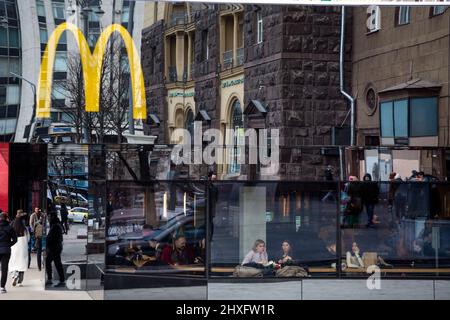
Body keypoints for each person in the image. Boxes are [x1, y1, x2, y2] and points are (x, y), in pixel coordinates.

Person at [8, 210, 30, 287]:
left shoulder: (12, 225)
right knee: (22, 263)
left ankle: (14, 275)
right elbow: (28, 238)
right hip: (22, 246)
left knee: (13, 262)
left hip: (14, 247)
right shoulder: (24, 228)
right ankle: (20, 281)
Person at [45, 214, 65, 287]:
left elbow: (50, 238)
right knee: (53, 262)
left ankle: (60, 280)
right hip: (56, 247)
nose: (48, 219)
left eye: (49, 217)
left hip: (54, 248)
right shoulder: (56, 225)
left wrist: (47, 242)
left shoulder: (55, 226)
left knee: (56, 263)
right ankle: (53, 279)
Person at [0, 212, 17, 293]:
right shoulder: (10, 227)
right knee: (4, 269)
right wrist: (8, 245)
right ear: (7, 218)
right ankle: (2, 287)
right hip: (6, 250)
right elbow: (15, 240)